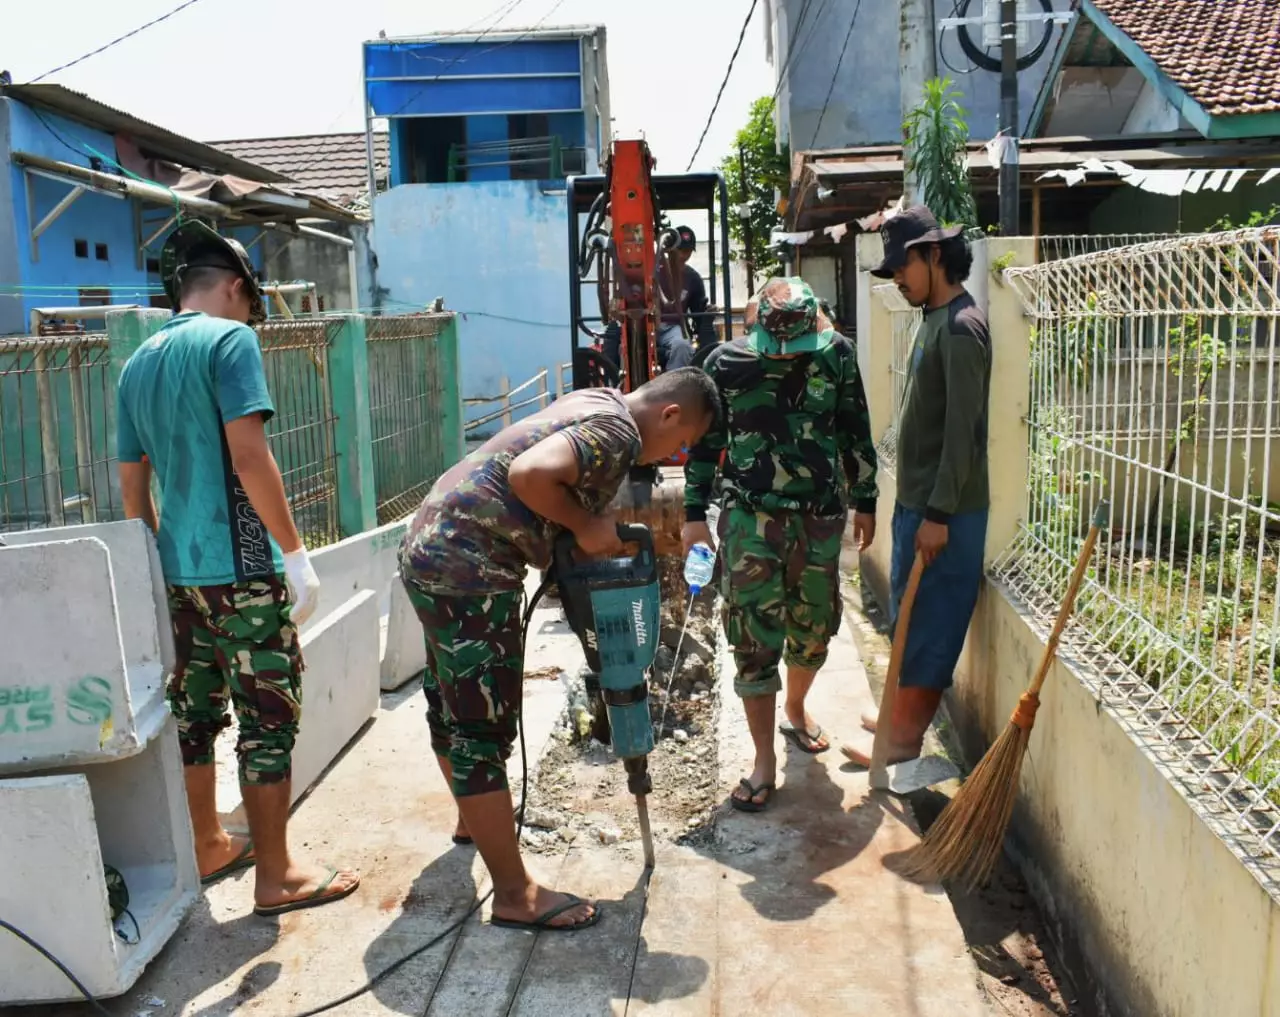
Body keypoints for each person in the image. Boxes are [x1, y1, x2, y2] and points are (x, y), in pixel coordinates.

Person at [398, 368, 720, 931]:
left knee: (449, 700)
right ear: (670, 415)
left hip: (430, 543)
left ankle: (475, 820)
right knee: (481, 726)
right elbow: (530, 474)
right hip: (468, 564)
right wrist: (586, 522)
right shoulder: (619, 434)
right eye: (683, 442)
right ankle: (514, 893)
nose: (676, 454)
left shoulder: (598, 400)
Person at [116, 221, 360, 917]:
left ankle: (208, 842)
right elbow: (250, 456)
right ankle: (277, 874)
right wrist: (294, 553)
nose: (251, 317)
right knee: (267, 716)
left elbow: (134, 489)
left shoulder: (137, 364)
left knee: (195, 715)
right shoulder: (230, 341)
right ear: (234, 288)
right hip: (242, 570)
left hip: (176, 572)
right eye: (252, 303)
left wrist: (158, 573)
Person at [683, 278, 878, 813]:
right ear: (758, 327)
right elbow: (706, 443)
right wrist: (693, 514)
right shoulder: (723, 363)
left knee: (815, 628)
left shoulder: (837, 354)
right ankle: (763, 758)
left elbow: (854, 429)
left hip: (818, 519)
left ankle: (795, 705)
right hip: (751, 519)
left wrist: (867, 499)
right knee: (752, 635)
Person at [840, 205, 992, 769]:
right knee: (908, 615)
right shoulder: (932, 317)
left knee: (929, 633)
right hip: (917, 506)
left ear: (934, 255)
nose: (897, 279)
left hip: (944, 516)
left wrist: (939, 514)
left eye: (902, 267)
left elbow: (962, 437)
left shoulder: (960, 329)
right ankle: (897, 722)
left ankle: (900, 750)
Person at [602, 225, 718, 373]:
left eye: (687, 251)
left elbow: (698, 313)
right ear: (669, 250)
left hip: (672, 327)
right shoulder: (649, 271)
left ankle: (673, 386)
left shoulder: (693, 279)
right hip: (642, 324)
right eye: (680, 251)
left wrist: (707, 314)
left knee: (682, 346)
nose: (683, 256)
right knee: (626, 348)